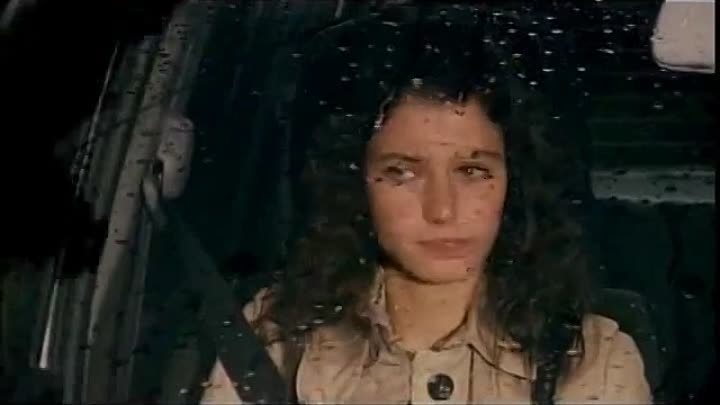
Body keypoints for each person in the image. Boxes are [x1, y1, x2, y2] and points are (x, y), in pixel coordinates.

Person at [200, 15, 652, 405]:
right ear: (355, 184)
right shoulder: (277, 338)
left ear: (513, 184)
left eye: (472, 171)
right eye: (402, 172)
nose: (442, 209)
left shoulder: (590, 359)